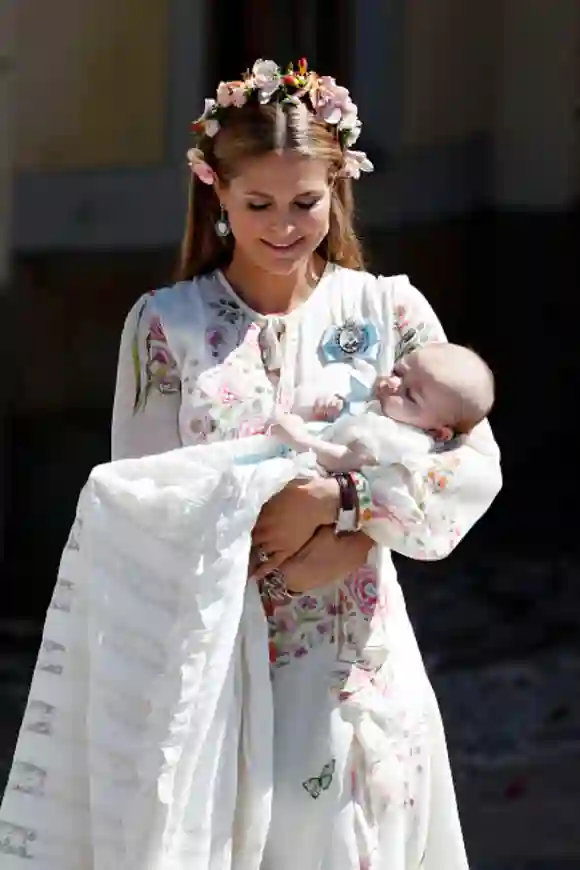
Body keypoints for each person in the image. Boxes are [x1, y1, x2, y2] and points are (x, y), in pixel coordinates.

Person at [110, 58, 502, 869]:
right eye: (258, 204)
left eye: (305, 202)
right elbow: (138, 502)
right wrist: (263, 522)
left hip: (358, 668)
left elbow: (469, 465)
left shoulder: (388, 310)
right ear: (214, 189)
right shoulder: (166, 328)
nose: (284, 225)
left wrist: (343, 505)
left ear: (338, 188)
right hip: (221, 667)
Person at [269, 342, 496, 473]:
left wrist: (301, 440)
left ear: (438, 432)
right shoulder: (387, 411)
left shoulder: (402, 442)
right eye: (399, 372)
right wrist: (327, 417)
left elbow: (349, 461)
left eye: (410, 395)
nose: (393, 384)